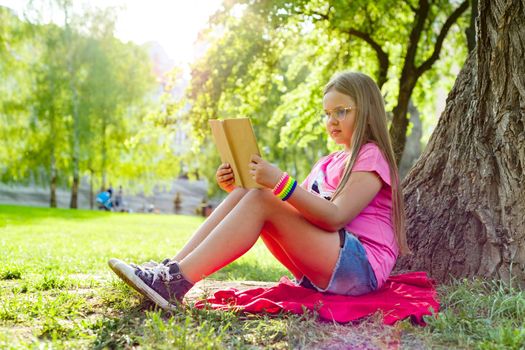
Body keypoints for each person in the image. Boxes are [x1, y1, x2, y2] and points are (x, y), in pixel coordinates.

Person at [108, 71, 411, 311]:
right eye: (327, 113)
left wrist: (278, 182)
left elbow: (334, 217)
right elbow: (297, 209)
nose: (331, 121)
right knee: (251, 192)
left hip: (360, 270)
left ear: (367, 111)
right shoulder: (329, 161)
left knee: (263, 196)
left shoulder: (371, 156)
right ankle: (169, 272)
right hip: (331, 262)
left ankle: (174, 282)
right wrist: (238, 185)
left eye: (341, 111)